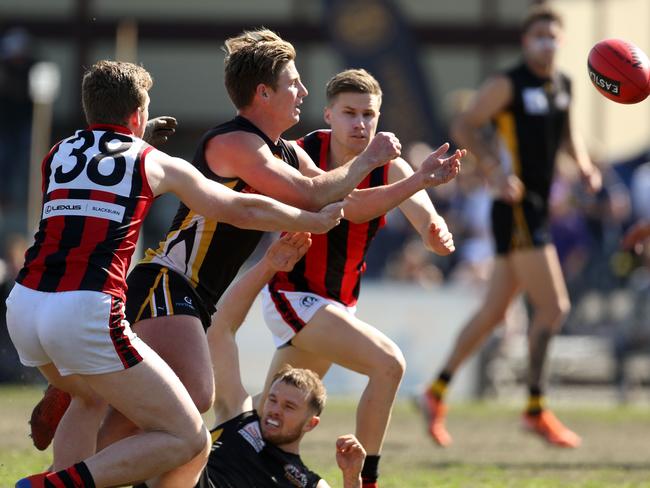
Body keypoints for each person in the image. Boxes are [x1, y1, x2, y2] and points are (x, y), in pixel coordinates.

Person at [28, 27, 400, 483]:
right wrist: (366, 162)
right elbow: (308, 196)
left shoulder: (281, 149)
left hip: (188, 294)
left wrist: (417, 183)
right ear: (263, 92)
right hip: (168, 280)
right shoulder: (235, 142)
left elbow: (335, 199)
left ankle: (78, 424)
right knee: (193, 400)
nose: (303, 91)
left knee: (150, 415)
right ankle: (68, 462)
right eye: (294, 82)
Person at [259, 68, 462, 488]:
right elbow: (348, 206)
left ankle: (219, 467)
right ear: (328, 114)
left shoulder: (390, 166)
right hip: (293, 296)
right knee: (388, 365)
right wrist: (419, 179)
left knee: (274, 418)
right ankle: (368, 481)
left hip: (338, 303)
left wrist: (434, 231)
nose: (360, 124)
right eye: (349, 113)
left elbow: (422, 212)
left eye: (369, 115)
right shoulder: (301, 154)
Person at [420, 5, 602, 449]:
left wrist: (582, 164)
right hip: (515, 206)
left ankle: (435, 392)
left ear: (561, 41)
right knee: (554, 308)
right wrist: (494, 171)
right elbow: (465, 123)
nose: (546, 42)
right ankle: (535, 408)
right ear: (526, 42)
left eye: (552, 35)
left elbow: (566, 133)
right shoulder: (508, 83)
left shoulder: (563, 84)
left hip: (537, 208)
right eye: (538, 34)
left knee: (495, 312)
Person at [195, 231, 366, 488]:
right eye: (272, 399)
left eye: (289, 407)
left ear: (311, 423)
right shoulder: (238, 416)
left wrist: (352, 478)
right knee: (183, 434)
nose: (274, 409)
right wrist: (268, 266)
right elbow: (221, 329)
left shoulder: (307, 482)